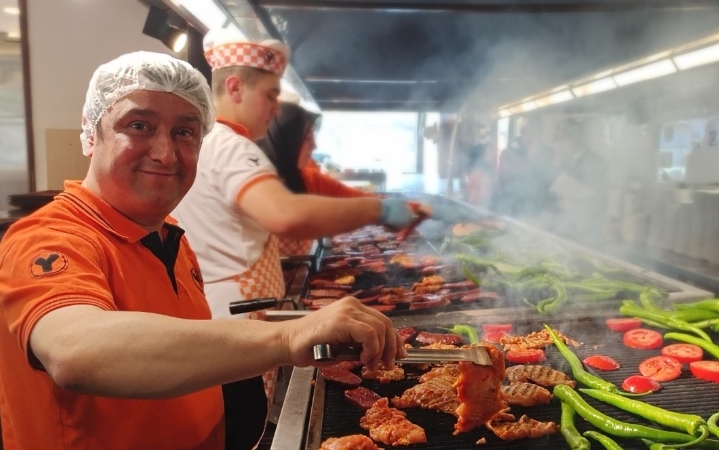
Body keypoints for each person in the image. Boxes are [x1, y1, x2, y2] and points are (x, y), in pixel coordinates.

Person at [0, 51, 405, 450]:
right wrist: (288, 335)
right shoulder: (48, 237)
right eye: (139, 125)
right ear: (91, 134)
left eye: (184, 132)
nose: (165, 152)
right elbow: (76, 352)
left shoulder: (170, 235)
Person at [170, 30, 422, 449]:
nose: (274, 108)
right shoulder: (231, 146)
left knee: (226, 428)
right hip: (234, 324)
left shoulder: (206, 141)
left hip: (218, 316)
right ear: (234, 87)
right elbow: (285, 215)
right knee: (239, 430)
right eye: (269, 95)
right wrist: (380, 211)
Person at [256, 97, 374, 256]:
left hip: (298, 274)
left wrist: (406, 208)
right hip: (262, 278)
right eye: (307, 138)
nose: (315, 146)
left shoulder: (308, 179)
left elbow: (356, 198)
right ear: (287, 141)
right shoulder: (254, 184)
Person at [549, 118, 609, 245]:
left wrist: (572, 201)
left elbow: (597, 198)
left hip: (587, 232)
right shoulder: (566, 161)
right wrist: (556, 163)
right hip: (567, 227)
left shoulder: (597, 162)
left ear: (574, 139)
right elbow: (553, 191)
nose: (560, 143)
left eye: (563, 137)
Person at [494, 116, 556, 218]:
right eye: (531, 132)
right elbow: (508, 175)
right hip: (513, 208)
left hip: (539, 209)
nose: (534, 138)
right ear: (522, 132)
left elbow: (549, 179)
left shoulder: (547, 152)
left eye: (537, 133)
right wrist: (530, 157)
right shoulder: (507, 153)